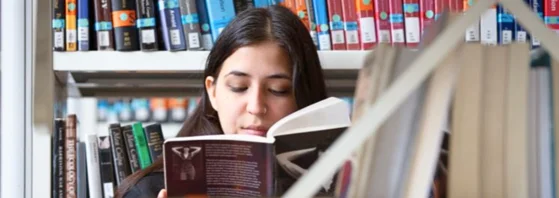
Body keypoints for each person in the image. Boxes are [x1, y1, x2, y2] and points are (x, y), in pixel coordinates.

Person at [115, 5, 328, 198]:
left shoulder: (339, 183)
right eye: (238, 87)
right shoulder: (148, 192)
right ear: (212, 92)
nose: (255, 107)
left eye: (278, 90)